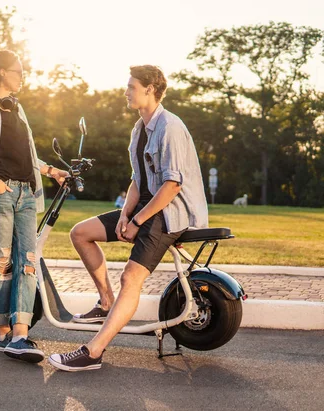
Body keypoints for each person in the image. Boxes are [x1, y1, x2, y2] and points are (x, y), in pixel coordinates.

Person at [49, 65, 208, 372]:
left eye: (132, 87)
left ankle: (93, 352)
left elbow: (172, 187)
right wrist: (125, 213)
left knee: (130, 278)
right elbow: (138, 179)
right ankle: (105, 303)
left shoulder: (170, 127)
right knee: (80, 233)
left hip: (170, 213)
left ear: (150, 90)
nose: (126, 91)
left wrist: (137, 222)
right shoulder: (139, 128)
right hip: (145, 207)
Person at [0, 50, 68, 363]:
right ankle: (3, 334)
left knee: (28, 261)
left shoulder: (18, 110)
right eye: (17, 70)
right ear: (2, 73)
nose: (22, 75)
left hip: (27, 194)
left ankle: (21, 334)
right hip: (0, 193)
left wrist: (50, 171)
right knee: (1, 262)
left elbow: (28, 157)